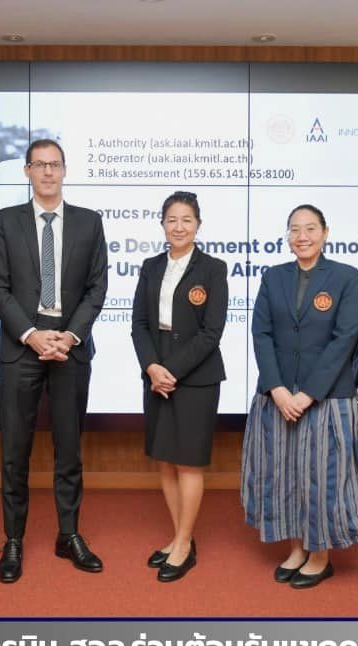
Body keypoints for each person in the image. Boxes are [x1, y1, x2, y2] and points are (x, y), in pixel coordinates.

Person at [0, 139, 108, 583]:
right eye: (40, 165)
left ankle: (68, 534)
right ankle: (13, 539)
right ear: (27, 171)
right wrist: (32, 335)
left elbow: (97, 287)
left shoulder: (89, 222)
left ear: (65, 170)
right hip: (23, 345)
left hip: (70, 345)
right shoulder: (5, 221)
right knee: (15, 451)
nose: (49, 172)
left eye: (55, 165)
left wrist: (70, 336)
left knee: (69, 449)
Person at [241, 204, 358, 589]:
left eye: (310, 228)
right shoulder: (273, 277)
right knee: (283, 475)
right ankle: (296, 549)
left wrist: (309, 393)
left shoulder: (345, 277)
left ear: (325, 233)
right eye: (294, 229)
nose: (302, 236)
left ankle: (320, 556)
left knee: (322, 478)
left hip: (327, 399)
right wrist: (277, 389)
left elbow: (345, 339)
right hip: (277, 397)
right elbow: (261, 333)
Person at [131, 191, 228, 583]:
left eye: (186, 220)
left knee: (187, 462)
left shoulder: (214, 268)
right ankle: (178, 536)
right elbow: (139, 324)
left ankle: (184, 544)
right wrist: (152, 367)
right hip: (156, 375)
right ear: (162, 224)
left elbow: (212, 332)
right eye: (172, 219)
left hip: (196, 378)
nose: (179, 226)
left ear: (198, 225)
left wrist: (170, 370)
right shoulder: (151, 266)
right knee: (165, 460)